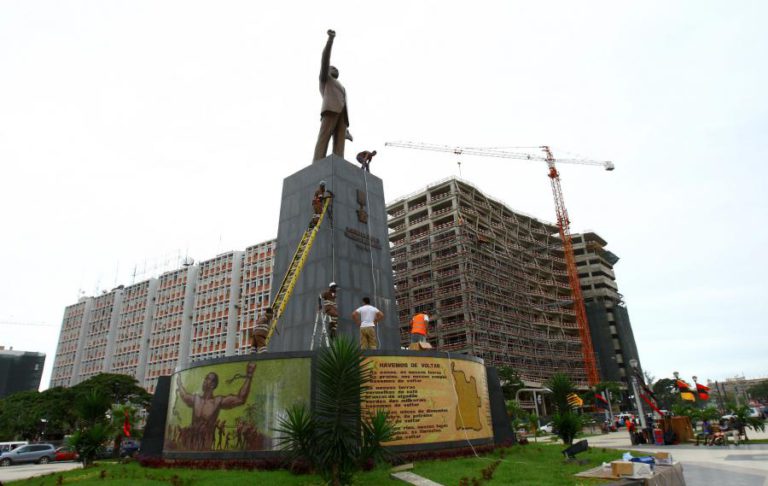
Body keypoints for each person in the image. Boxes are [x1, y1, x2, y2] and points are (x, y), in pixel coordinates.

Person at [175, 361, 256, 451]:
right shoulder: (196, 399)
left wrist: (249, 376)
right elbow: (184, 396)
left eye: (207, 379)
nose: (204, 381)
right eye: (205, 379)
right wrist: (179, 383)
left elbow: (240, 399)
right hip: (190, 444)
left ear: (213, 384)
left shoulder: (217, 401)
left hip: (205, 446)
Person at [313, 29, 351, 162]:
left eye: (337, 68)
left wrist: (347, 128)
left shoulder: (343, 87)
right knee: (324, 138)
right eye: (332, 67)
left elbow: (344, 103)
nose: (335, 69)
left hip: (343, 117)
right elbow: (325, 58)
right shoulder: (325, 79)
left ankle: (338, 162)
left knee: (339, 146)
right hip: (330, 110)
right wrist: (330, 40)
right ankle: (317, 162)